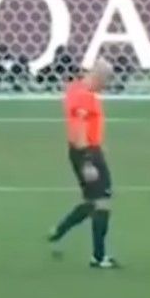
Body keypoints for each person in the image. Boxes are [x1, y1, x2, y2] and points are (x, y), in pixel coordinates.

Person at [47, 59, 119, 269]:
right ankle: (99, 256)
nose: (105, 87)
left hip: (85, 150)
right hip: (86, 152)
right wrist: (88, 161)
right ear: (98, 77)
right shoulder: (84, 96)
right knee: (102, 201)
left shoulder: (75, 89)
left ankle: (60, 230)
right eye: (105, 82)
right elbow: (78, 128)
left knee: (92, 201)